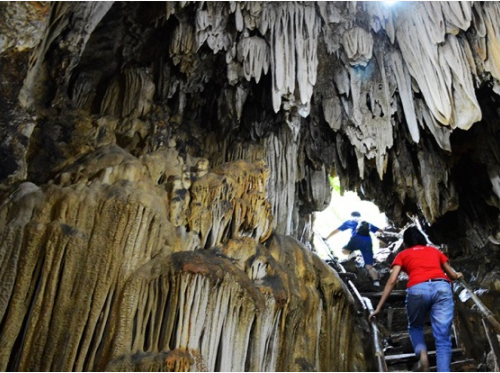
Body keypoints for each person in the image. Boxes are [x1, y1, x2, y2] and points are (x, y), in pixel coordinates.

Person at [369, 227, 463, 372]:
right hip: (441, 287)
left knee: (415, 326)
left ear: (406, 243)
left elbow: (392, 280)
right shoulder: (434, 251)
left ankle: (422, 355)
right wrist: (458, 275)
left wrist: (379, 308)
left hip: (418, 289)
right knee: (443, 338)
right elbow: (451, 274)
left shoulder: (403, 254)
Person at [325, 211, 383, 286]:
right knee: (369, 266)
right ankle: (376, 282)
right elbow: (381, 231)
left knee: (344, 250)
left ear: (351, 216)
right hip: (367, 243)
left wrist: (326, 238)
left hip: (356, 240)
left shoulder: (350, 221)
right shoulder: (366, 223)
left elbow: (336, 230)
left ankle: (351, 253)